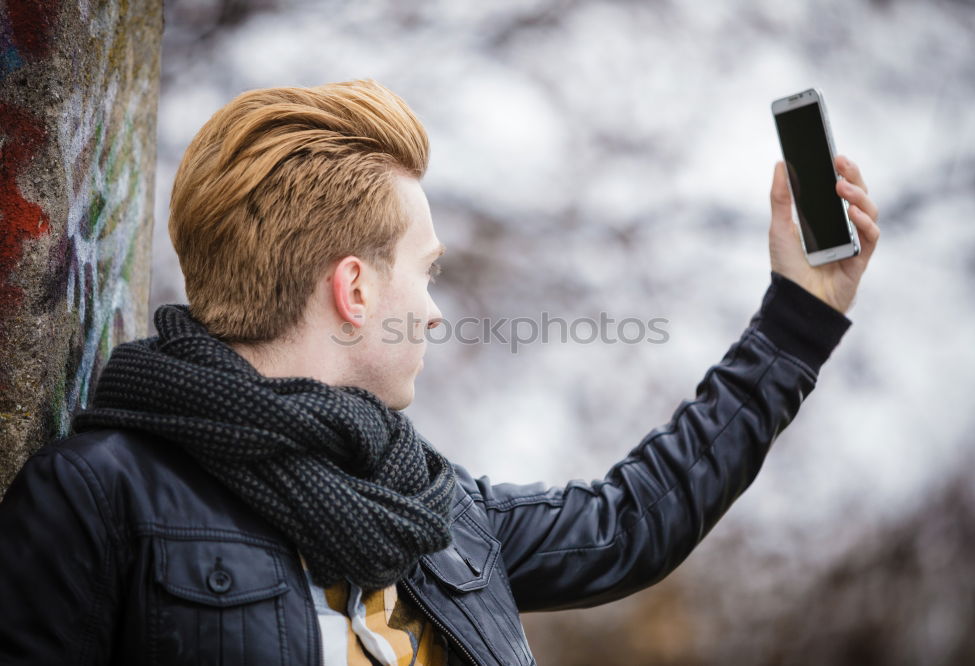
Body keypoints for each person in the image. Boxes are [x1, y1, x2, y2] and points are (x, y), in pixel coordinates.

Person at [0, 79, 879, 666]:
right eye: (426, 272)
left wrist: (800, 312)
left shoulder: (437, 508)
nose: (433, 309)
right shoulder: (94, 500)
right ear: (353, 287)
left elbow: (631, 525)